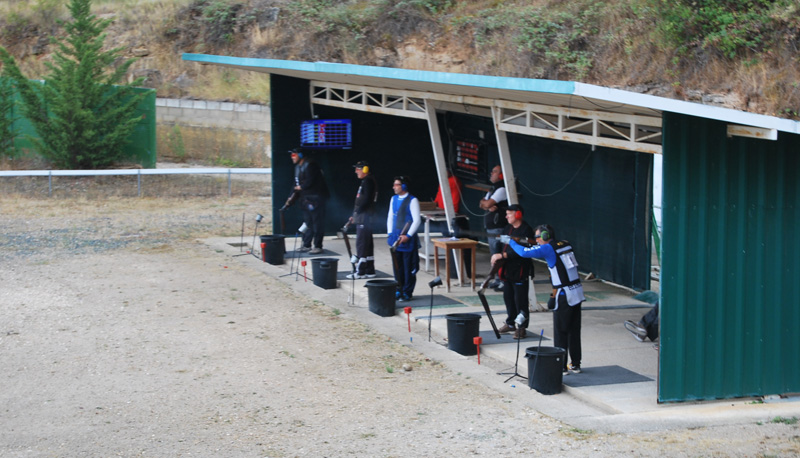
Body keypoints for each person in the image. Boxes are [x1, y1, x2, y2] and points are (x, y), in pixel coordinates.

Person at [508, 224, 585, 375]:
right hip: (576, 292)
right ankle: (575, 364)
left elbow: (524, 253)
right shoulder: (565, 244)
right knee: (574, 332)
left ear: (544, 236)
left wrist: (511, 242)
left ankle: (561, 366)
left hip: (565, 295)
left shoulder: (548, 248)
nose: (536, 240)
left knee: (561, 332)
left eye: (538, 237)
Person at [489, 205, 535, 339]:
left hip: (520, 270)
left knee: (520, 300)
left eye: (509, 214)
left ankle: (521, 327)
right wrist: (496, 253)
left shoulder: (526, 230)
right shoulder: (507, 228)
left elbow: (523, 251)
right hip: (507, 270)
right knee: (508, 297)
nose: (506, 216)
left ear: (518, 215)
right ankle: (510, 323)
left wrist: (502, 256)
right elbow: (499, 242)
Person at [387, 176, 421, 302]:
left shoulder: (413, 200)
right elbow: (390, 217)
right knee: (397, 267)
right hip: (395, 238)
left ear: (404, 186)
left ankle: (407, 291)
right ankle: (398, 289)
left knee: (408, 268)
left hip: (407, 240)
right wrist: (390, 234)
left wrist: (408, 236)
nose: (394, 187)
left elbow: (416, 221)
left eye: (397, 185)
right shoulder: (393, 199)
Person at [290, 148, 329, 254]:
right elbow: (296, 183)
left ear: (301, 155)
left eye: (294, 155)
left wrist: (299, 188)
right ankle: (306, 244)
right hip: (306, 199)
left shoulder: (311, 165)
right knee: (308, 222)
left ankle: (318, 246)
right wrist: (291, 197)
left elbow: (309, 182)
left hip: (316, 199)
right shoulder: (298, 167)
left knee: (317, 223)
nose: (292, 157)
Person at [434, 170, 471, 278]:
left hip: (450, 216)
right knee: (446, 241)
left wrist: (450, 214)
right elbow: (438, 196)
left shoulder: (453, 181)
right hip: (442, 213)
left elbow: (454, 200)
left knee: (452, 242)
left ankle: (456, 270)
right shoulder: (444, 181)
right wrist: (434, 206)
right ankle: (452, 268)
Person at [346, 161, 378, 279]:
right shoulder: (367, 181)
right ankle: (370, 270)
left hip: (364, 217)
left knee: (362, 244)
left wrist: (357, 214)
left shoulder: (368, 181)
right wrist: (355, 214)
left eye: (358, 169)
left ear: (364, 169)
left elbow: (366, 201)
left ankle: (360, 271)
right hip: (365, 217)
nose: (356, 172)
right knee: (367, 245)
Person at [479, 165, 508, 288]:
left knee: (499, 254)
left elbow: (488, 202)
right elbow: (481, 203)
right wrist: (486, 205)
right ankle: (497, 278)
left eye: (494, 172)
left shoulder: (501, 189)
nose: (491, 174)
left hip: (499, 228)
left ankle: (502, 279)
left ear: (501, 175)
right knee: (494, 255)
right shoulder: (492, 189)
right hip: (491, 228)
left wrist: (487, 204)